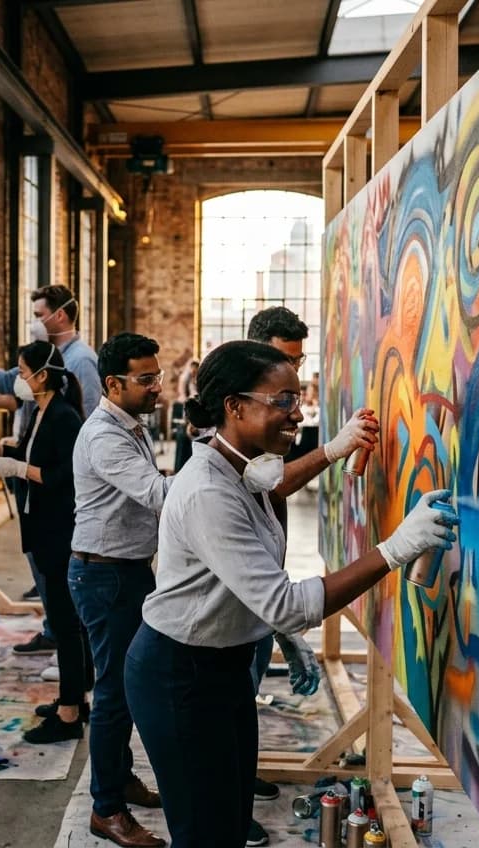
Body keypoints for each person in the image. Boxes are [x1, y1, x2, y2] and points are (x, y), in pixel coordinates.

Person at [123, 341, 456, 848]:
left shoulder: (245, 470)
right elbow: (286, 602)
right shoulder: (209, 492)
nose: (296, 412)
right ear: (235, 407)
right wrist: (394, 550)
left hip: (223, 664)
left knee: (231, 819)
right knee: (204, 832)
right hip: (180, 675)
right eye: (282, 400)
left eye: (296, 398)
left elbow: (259, 543)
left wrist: (271, 631)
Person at [242, 306, 376, 841]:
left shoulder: (274, 406)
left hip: (260, 571)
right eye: (282, 362)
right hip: (237, 582)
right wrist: (332, 449)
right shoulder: (229, 410)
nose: (292, 379)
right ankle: (223, 803)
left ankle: (239, 775)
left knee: (244, 688)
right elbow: (268, 486)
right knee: (226, 699)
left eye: (299, 364)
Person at [0, 284, 101, 657]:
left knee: (58, 570)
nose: (35, 322)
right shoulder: (42, 364)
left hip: (53, 481)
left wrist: (25, 465)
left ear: (60, 315)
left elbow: (82, 435)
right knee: (42, 566)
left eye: (39, 315)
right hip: (33, 474)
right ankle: (56, 632)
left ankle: (67, 641)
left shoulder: (79, 365)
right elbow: (3, 384)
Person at [0, 341, 89, 743]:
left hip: (58, 529)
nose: (19, 380)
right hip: (42, 525)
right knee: (67, 621)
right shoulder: (40, 412)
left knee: (66, 623)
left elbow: (62, 475)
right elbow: (19, 452)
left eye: (23, 373)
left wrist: (20, 469)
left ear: (42, 376)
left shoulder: (64, 417)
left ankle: (69, 715)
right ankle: (75, 699)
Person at [68, 333, 171, 848]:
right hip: (105, 576)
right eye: (146, 379)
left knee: (127, 684)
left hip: (125, 570)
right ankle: (106, 809)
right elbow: (157, 494)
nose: (158, 386)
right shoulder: (105, 436)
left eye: (158, 375)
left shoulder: (129, 426)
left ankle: (119, 779)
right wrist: (226, 469)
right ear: (113, 384)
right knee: (112, 692)